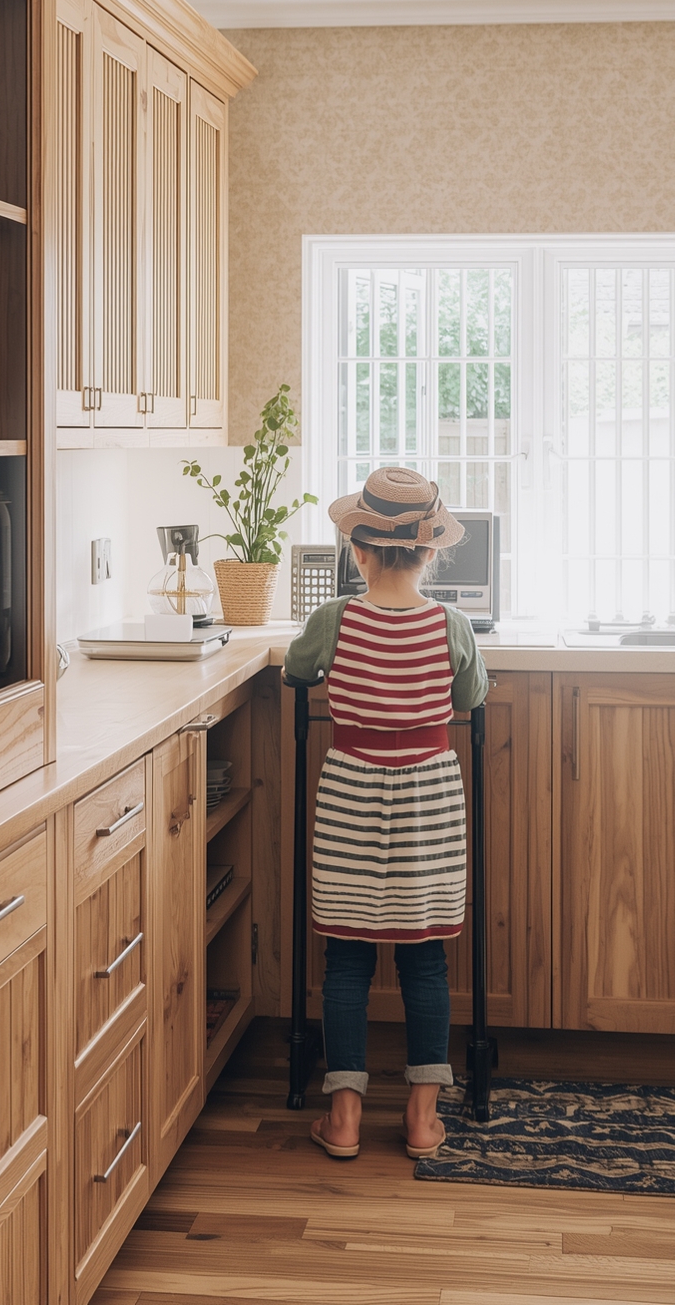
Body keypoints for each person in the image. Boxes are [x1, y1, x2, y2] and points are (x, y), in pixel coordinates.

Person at [284, 467, 488, 1160]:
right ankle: (422, 1119)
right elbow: (473, 689)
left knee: (346, 957)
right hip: (427, 801)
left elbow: (296, 670)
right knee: (424, 958)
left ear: (357, 552)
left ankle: (342, 1120)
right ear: (431, 553)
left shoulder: (333, 620)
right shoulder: (451, 624)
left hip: (352, 799)